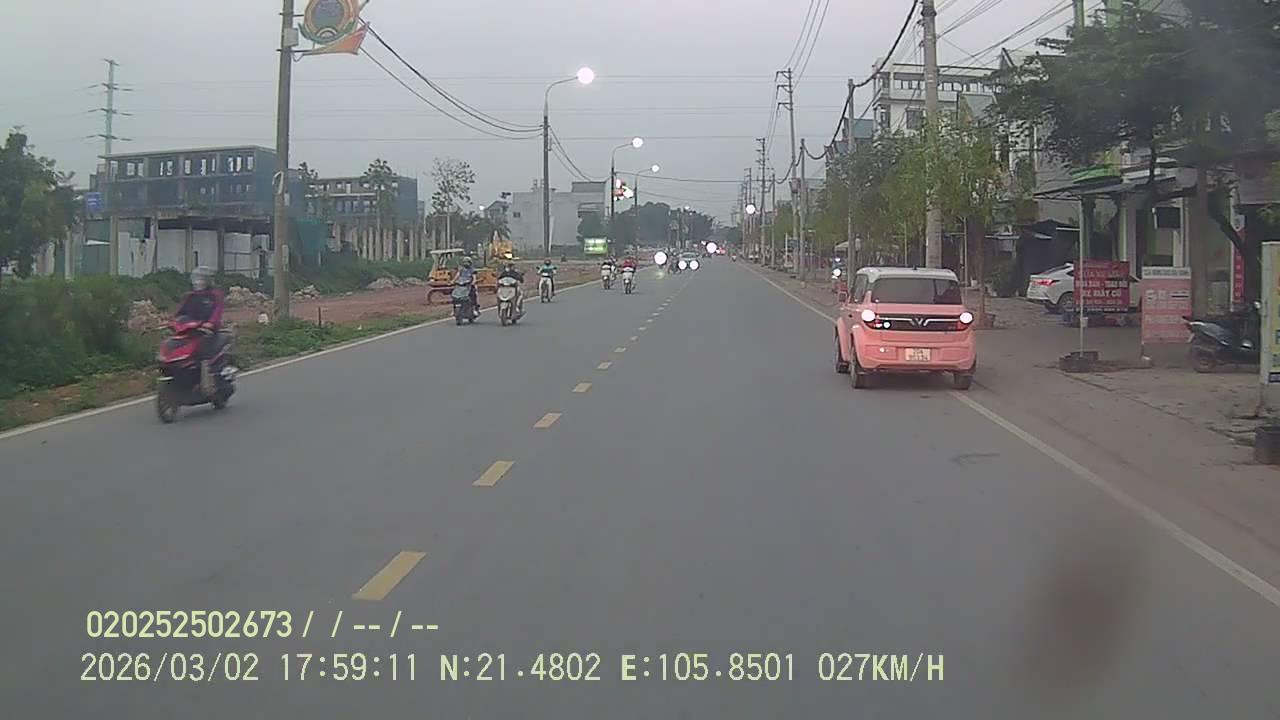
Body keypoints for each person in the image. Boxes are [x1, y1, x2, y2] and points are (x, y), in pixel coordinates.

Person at [174, 266, 225, 395]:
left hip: (207, 331)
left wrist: (210, 323)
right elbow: (179, 312)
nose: (199, 282)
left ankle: (208, 382)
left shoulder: (215, 295)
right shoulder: (190, 296)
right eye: (197, 279)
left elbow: (217, 311)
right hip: (189, 330)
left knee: (204, 353)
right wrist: (173, 322)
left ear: (208, 280)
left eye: (202, 279)